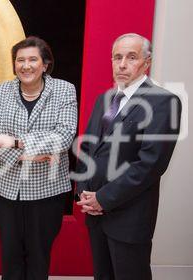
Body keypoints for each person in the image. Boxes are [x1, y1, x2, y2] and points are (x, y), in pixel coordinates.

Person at [76, 33, 182, 280]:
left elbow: (150, 164)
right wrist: (84, 191)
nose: (122, 64)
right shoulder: (105, 99)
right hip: (96, 214)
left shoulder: (164, 101)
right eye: (117, 57)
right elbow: (89, 149)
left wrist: (103, 198)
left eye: (131, 57)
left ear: (147, 62)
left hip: (129, 217)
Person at [0, 36, 78, 279]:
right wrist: (39, 154)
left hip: (47, 191)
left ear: (45, 64)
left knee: (38, 256)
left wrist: (13, 142)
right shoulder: (0, 92)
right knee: (10, 255)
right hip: (5, 190)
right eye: (20, 60)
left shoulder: (64, 90)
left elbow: (64, 138)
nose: (26, 65)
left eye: (33, 59)